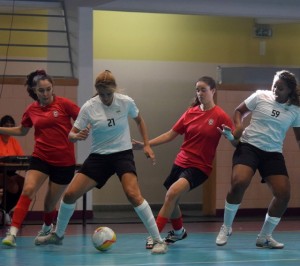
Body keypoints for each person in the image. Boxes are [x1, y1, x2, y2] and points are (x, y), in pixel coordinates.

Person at [35, 70, 168, 254]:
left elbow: (139, 120)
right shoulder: (89, 107)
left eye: (109, 94)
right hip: (99, 157)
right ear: (97, 91)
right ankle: (58, 235)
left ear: (114, 90)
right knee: (70, 195)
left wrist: (147, 145)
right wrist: (77, 136)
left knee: (133, 195)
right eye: (102, 94)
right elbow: (71, 134)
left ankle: (158, 240)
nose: (106, 98)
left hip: (122, 154)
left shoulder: (125, 101)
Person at [133, 76, 235, 249]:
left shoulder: (220, 116)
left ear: (213, 91)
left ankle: (155, 235)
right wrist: (146, 144)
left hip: (199, 167)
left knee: (172, 194)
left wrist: (231, 137)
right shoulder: (191, 112)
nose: (200, 93)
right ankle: (179, 232)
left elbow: (236, 141)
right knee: (173, 198)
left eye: (204, 89)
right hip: (181, 162)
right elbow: (170, 134)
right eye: (197, 90)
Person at [216, 70, 300, 249]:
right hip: (249, 146)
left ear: (290, 92)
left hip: (273, 153)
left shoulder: (295, 110)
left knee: (284, 195)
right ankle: (227, 227)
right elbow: (239, 111)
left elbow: (299, 137)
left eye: (280, 88)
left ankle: (264, 237)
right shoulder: (260, 96)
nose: (275, 90)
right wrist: (238, 127)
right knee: (239, 182)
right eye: (274, 85)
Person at [1, 70, 80, 247]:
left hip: (64, 162)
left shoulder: (64, 104)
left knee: (48, 205)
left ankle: (46, 228)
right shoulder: (31, 109)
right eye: (41, 91)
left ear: (53, 88)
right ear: (35, 91)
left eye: (48, 89)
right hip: (41, 158)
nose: (45, 94)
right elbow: (22, 130)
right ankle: (12, 234)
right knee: (28, 189)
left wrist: (79, 131)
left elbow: (83, 118)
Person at [0, 115, 25, 224]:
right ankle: (3, 210)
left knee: (26, 185)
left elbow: (21, 157)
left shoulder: (13, 141)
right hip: (0, 171)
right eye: (6, 126)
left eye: (11, 126)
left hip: (11, 172)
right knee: (13, 187)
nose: (9, 128)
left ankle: (5, 210)